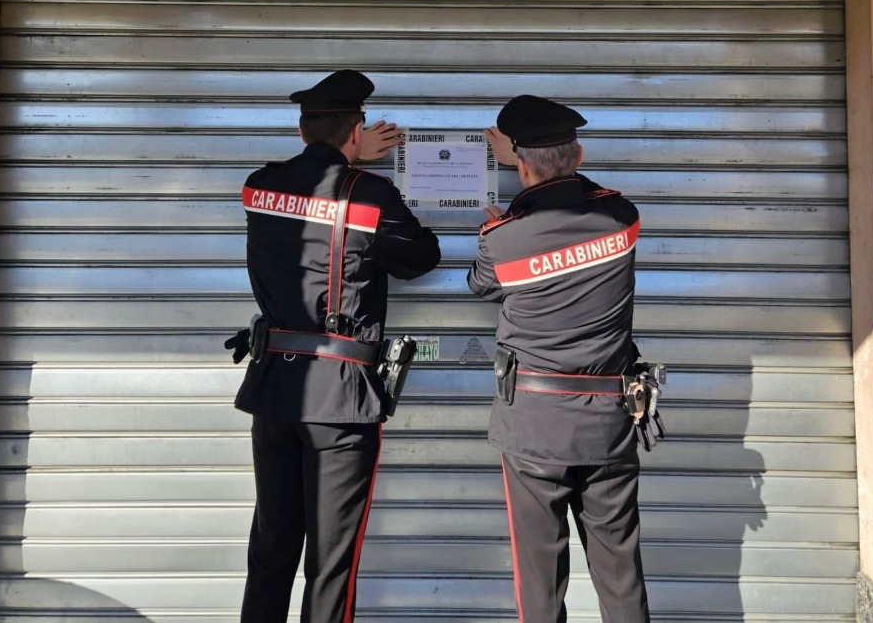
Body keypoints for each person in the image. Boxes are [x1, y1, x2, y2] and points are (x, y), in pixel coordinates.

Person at [233, 69, 441, 622]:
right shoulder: (368, 195)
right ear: (358, 132)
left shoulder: (259, 186)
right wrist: (354, 167)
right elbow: (421, 257)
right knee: (331, 564)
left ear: (302, 132)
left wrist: (339, 156)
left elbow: (304, 191)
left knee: (272, 548)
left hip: (274, 389)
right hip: (341, 401)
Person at [471, 95, 653, 623]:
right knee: (622, 578)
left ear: (519, 163)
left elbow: (482, 286)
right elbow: (577, 202)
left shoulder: (503, 240)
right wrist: (531, 166)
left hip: (534, 427)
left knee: (541, 582)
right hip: (609, 423)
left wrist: (511, 210)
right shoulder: (622, 217)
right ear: (578, 153)